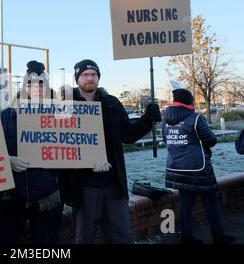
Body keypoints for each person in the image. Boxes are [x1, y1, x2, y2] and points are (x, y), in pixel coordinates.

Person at [59, 59, 162, 244]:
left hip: (113, 183)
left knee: (121, 236)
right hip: (83, 186)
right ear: (77, 78)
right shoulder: (63, 104)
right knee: (84, 239)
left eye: (94, 74)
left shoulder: (112, 103)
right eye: (85, 74)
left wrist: (148, 118)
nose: (90, 78)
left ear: (98, 78)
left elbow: (128, 135)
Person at [0, 60, 64, 244]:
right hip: (12, 195)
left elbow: (80, 148)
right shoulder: (6, 116)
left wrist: (94, 160)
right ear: (24, 87)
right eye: (31, 83)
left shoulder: (62, 115)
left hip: (48, 196)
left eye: (41, 83)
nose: (36, 88)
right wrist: (6, 160)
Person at [162, 88, 235, 244]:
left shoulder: (165, 120)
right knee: (210, 203)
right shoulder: (196, 118)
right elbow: (211, 140)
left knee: (185, 203)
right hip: (198, 168)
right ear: (188, 101)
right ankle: (218, 236)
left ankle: (186, 238)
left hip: (175, 167)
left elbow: (167, 140)